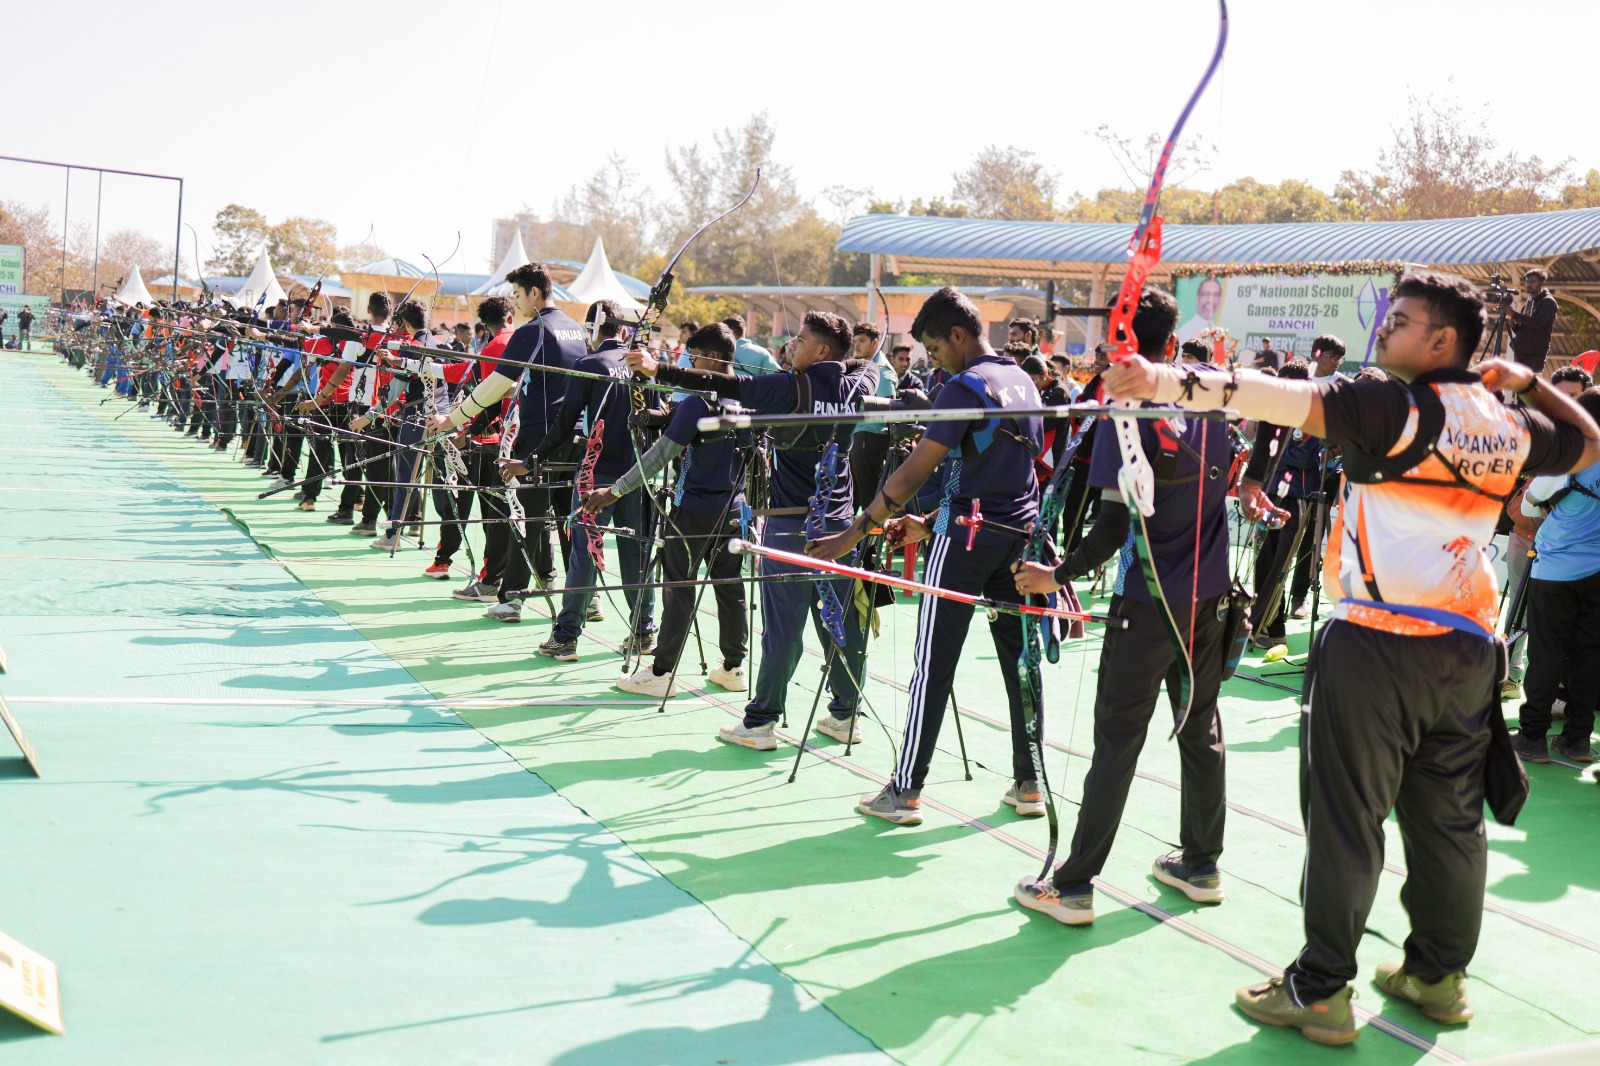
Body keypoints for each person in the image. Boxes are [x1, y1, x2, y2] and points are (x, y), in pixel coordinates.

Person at [1100, 269, 1599, 1044]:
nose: (1382, 332)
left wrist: (1161, 377)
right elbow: (1588, 439)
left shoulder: (1387, 402)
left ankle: (1320, 989)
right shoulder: (1505, 422)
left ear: (1442, 340)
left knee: (1346, 818)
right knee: (1450, 822)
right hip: (1468, 652)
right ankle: (1438, 976)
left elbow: (1266, 396)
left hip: (1374, 643)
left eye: (1397, 320)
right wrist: (1530, 381)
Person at [1012, 284, 1233, 924]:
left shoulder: (1127, 410)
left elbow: (1111, 528)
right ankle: (1201, 864)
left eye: (1117, 338)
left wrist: (1055, 574)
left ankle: (1074, 885)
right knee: (1201, 726)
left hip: (1147, 603)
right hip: (1208, 598)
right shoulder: (1215, 390)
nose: (1108, 349)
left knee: (1117, 740)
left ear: (1134, 342)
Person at [807, 287, 1047, 825]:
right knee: (1022, 666)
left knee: (931, 666)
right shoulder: (1023, 379)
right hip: (1019, 541)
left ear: (958, 336)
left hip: (964, 543)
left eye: (935, 350)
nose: (933, 362)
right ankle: (1031, 783)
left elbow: (913, 473)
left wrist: (850, 535)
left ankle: (906, 790)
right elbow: (1009, 479)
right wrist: (926, 521)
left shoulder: (966, 385)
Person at [627, 310, 874, 751]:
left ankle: (761, 722)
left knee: (783, 629)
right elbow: (864, 370)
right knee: (840, 624)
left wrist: (657, 368)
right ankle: (845, 714)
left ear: (820, 349)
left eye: (800, 340)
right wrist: (846, 364)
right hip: (841, 528)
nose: (790, 347)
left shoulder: (789, 386)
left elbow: (729, 384)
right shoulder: (859, 386)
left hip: (790, 527)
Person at [591, 322, 749, 696]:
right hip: (734, 508)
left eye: (694, 359)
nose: (689, 366)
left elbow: (662, 454)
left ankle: (662, 673)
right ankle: (733, 667)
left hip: (693, 510)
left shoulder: (697, 402)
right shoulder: (745, 397)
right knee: (729, 585)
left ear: (711, 357)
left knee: (679, 587)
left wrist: (615, 490)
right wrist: (661, 417)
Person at [437, 263, 586, 604]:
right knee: (568, 521)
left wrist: (455, 419)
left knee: (525, 518)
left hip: (537, 438)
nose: (516, 304)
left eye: (518, 295)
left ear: (534, 293)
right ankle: (585, 598)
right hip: (574, 437)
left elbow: (497, 384)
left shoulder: (531, 330)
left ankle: (511, 600)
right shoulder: (575, 329)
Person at [1512, 383, 1600, 765]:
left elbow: (1529, 508)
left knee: (1546, 653)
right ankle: (1577, 739)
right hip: (1597, 572)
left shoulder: (1569, 456)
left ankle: (1532, 738)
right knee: (1588, 655)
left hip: (1555, 571)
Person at [1500, 364, 1591, 699]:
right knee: (1517, 607)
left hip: (1571, 550)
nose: (1570, 403)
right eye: (1563, 396)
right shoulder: (1536, 429)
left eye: (1576, 397)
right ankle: (1511, 677)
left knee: (1564, 622)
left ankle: (1557, 690)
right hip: (1526, 533)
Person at [848, 321, 895, 509]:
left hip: (870, 437)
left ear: (875, 343)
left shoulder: (882, 370)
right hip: (859, 436)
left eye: (862, 341)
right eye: (855, 341)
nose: (857, 345)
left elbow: (887, 410)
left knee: (869, 500)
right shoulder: (866, 367)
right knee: (853, 500)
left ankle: (870, 538)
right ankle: (857, 539)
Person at [1509, 267, 1558, 376]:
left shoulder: (1548, 302)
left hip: (1534, 355)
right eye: (1527, 281)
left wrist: (1514, 314)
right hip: (1521, 353)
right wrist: (1515, 326)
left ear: (1541, 283)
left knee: (1530, 389)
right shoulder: (1530, 301)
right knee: (1518, 389)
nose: (1528, 284)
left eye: (1532, 281)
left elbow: (1537, 323)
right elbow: (1527, 329)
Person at [1178, 274, 1223, 342]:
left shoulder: (1219, 332)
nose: (1211, 300)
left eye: (1216, 295)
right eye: (1206, 294)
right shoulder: (1185, 331)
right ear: (1197, 298)